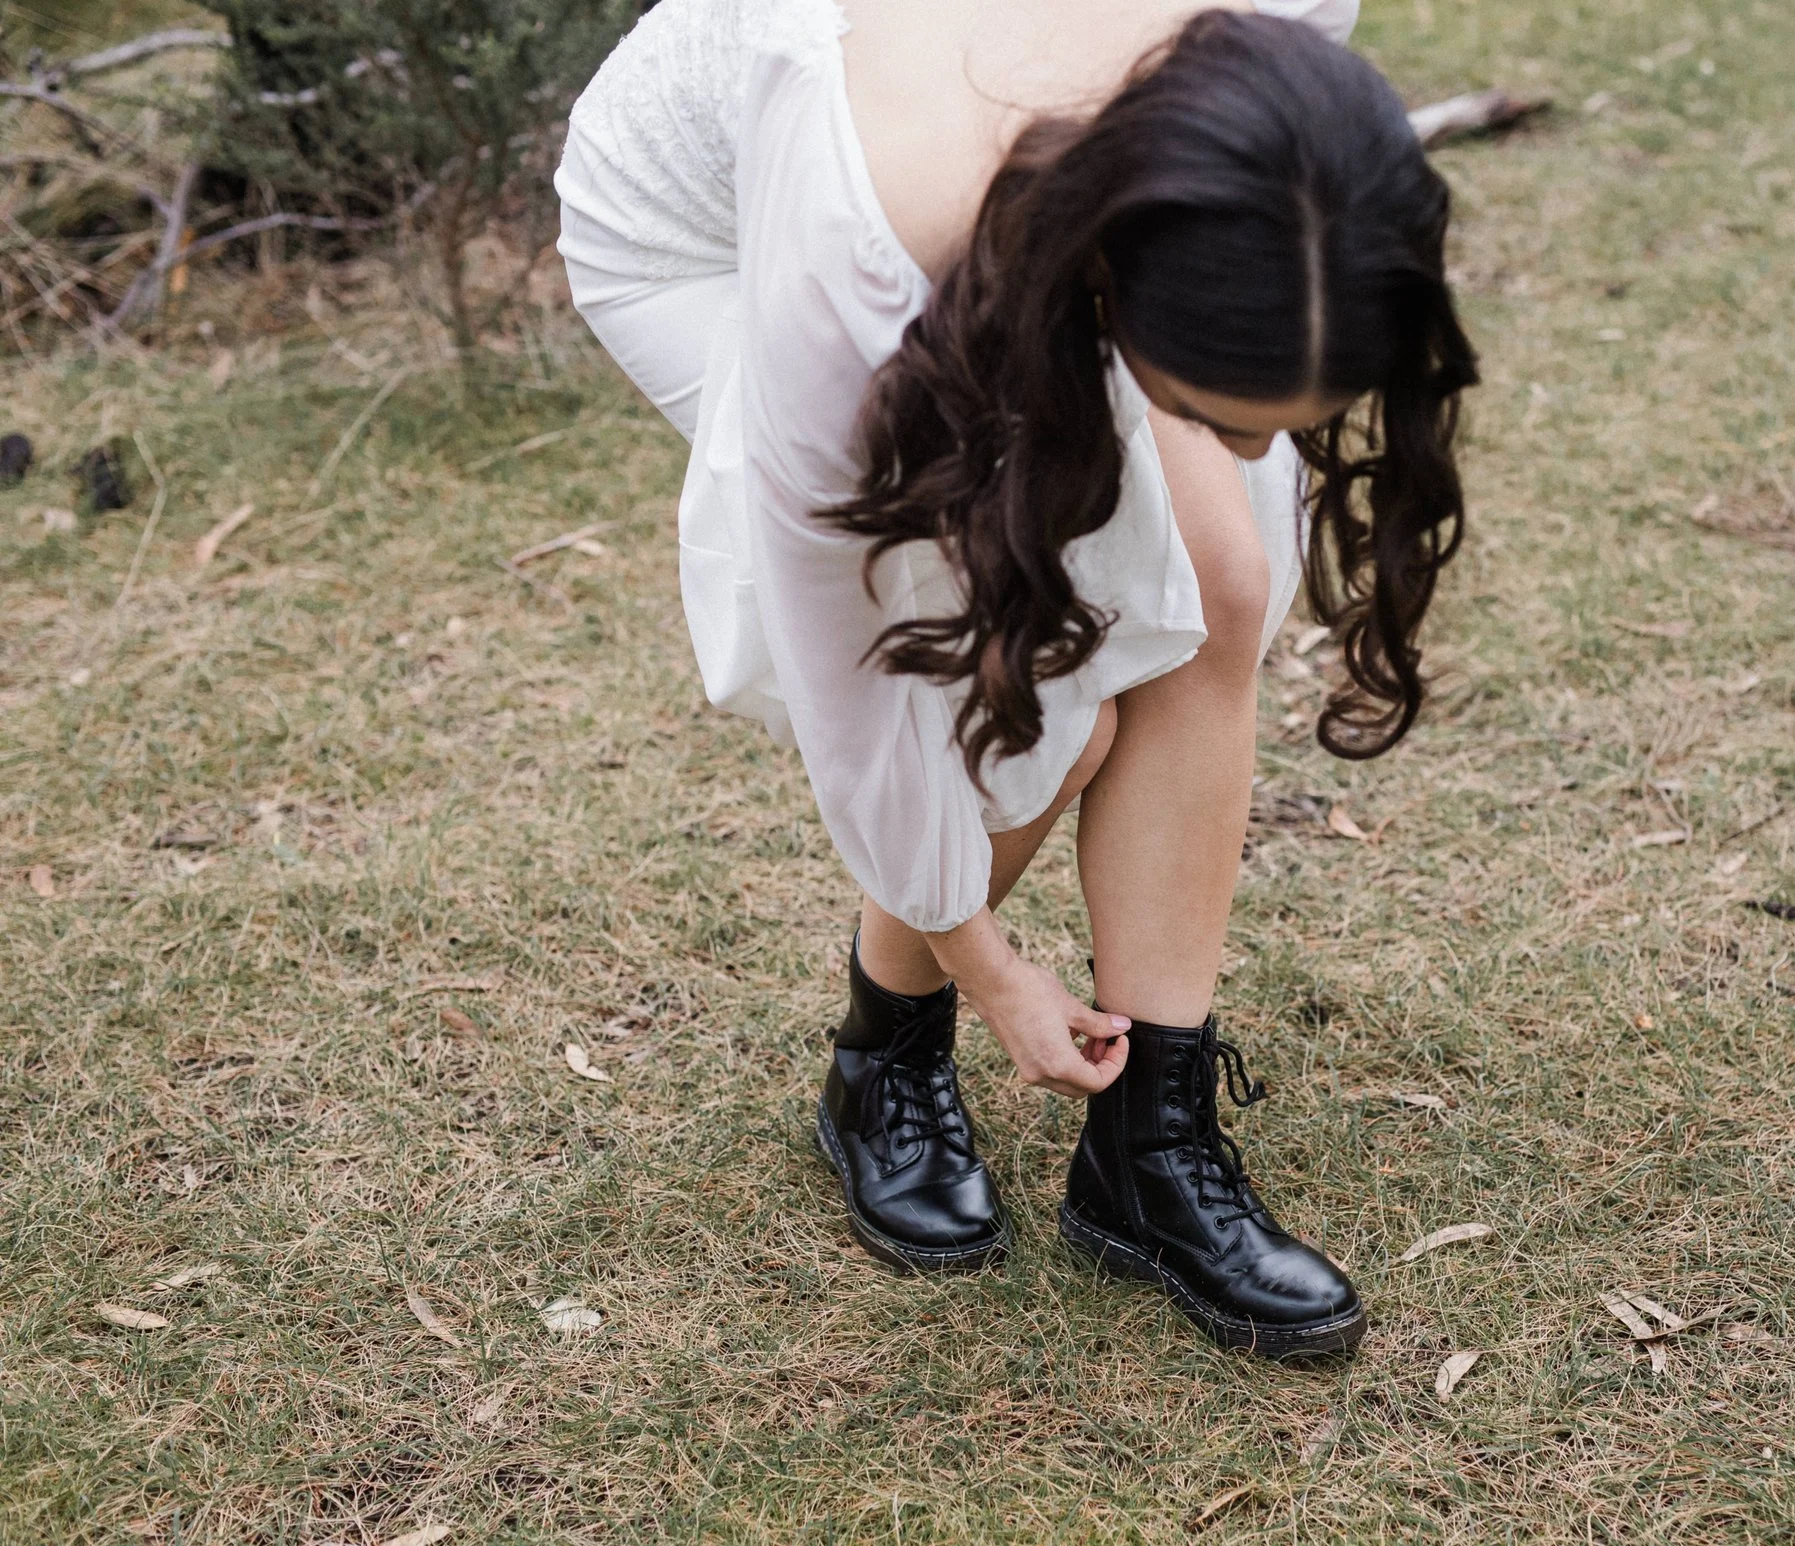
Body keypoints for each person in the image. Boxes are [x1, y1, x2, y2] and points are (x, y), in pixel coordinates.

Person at [553, 0, 1475, 1359]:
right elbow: (864, 688)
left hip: (1044, 168)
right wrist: (987, 969)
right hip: (698, 230)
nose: (1246, 451)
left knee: (1218, 587)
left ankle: (1149, 1151)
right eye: (1212, 412)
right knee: (1051, 695)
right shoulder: (854, 280)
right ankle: (885, 1052)